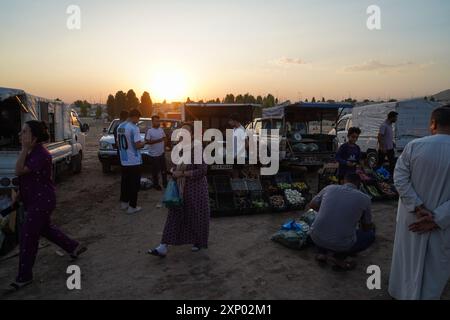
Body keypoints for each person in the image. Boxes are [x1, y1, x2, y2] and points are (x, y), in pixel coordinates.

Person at [8, 121, 86, 292]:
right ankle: (73, 247)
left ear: (34, 137)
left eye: (25, 132)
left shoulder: (40, 154)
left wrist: (22, 150)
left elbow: (19, 171)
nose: (20, 135)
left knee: (28, 237)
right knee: (45, 229)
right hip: (34, 200)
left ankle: (24, 276)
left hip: (41, 201)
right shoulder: (31, 152)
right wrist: (19, 195)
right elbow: (27, 179)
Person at [388, 106, 450, 300]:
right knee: (435, 271)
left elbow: (399, 178)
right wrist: (437, 218)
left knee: (407, 264)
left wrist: (417, 206)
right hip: (442, 226)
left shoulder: (415, 146)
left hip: (412, 219)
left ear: (433, 124)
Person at [149, 123, 210, 257]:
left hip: (196, 190)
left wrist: (181, 174)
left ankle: (198, 241)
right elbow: (179, 166)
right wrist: (174, 171)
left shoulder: (197, 149)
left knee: (196, 217)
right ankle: (163, 246)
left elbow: (202, 171)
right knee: (174, 215)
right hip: (181, 188)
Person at [307, 173, 375, 271]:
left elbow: (312, 205)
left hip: (315, 237)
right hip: (341, 244)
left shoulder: (329, 188)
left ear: (343, 181)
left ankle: (321, 253)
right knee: (370, 235)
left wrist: (325, 211)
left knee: (317, 220)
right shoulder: (365, 198)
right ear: (359, 184)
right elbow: (366, 226)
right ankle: (339, 257)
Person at [118, 109, 145, 214]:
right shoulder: (134, 128)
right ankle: (132, 206)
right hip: (134, 161)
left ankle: (124, 203)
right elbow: (138, 145)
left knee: (125, 183)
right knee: (134, 184)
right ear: (134, 117)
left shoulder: (120, 126)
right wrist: (145, 142)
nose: (138, 121)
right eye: (138, 118)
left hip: (124, 160)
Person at [145, 115, 167, 190]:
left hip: (161, 153)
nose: (157, 122)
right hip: (154, 155)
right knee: (155, 171)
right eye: (156, 121)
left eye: (158, 121)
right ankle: (156, 185)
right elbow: (147, 141)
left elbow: (164, 138)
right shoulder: (150, 131)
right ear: (152, 122)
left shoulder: (161, 130)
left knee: (164, 170)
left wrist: (164, 148)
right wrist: (158, 140)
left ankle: (165, 183)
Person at [228, 114, 247, 178]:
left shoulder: (241, 130)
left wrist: (239, 153)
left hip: (240, 156)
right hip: (235, 155)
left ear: (235, 121)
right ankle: (241, 182)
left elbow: (247, 143)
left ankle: (237, 186)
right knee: (236, 171)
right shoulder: (234, 129)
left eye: (230, 121)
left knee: (236, 172)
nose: (229, 122)